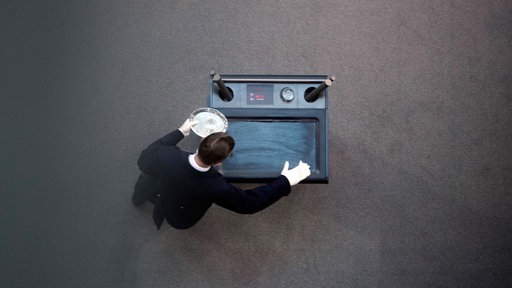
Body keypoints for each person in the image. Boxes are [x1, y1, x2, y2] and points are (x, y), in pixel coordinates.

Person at [132, 118, 311, 230]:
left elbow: (143, 161)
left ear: (202, 140)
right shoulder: (217, 187)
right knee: (179, 220)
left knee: (142, 190)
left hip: (155, 185)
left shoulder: (165, 154)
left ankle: (137, 200)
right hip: (181, 215)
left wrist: (180, 132)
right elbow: (250, 203)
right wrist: (286, 181)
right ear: (218, 162)